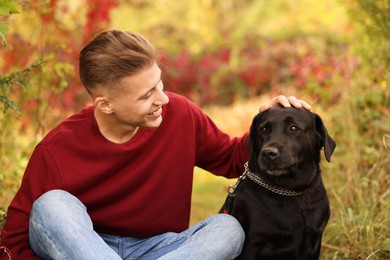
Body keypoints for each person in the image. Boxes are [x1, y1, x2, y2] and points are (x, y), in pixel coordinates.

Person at [0, 29, 311, 260]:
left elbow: (231, 159)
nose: (162, 99)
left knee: (227, 230)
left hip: (162, 249)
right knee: (52, 204)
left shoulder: (180, 115)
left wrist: (265, 126)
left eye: (159, 84)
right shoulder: (57, 149)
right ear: (105, 104)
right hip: (84, 246)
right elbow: (13, 241)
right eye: (146, 95)